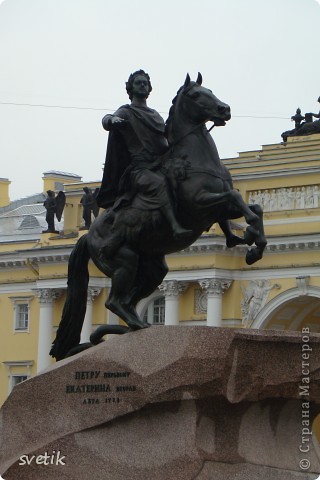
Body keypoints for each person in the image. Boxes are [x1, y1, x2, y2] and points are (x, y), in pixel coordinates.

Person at [96, 69, 192, 240]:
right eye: (138, 83)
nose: (142, 85)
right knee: (160, 184)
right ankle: (174, 226)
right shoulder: (126, 111)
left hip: (160, 164)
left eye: (145, 83)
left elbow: (167, 138)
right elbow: (106, 119)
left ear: (149, 89)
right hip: (140, 170)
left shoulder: (155, 115)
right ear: (131, 89)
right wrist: (112, 120)